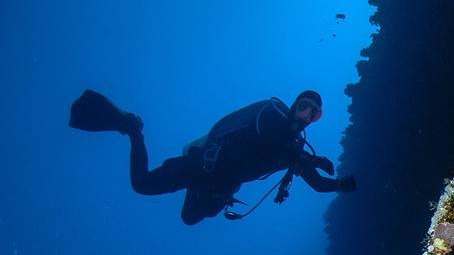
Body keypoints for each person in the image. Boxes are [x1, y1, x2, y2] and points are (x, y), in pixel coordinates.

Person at [69, 89, 357, 224]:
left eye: (314, 113)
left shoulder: (295, 149)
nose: (307, 114)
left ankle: (199, 191)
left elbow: (317, 184)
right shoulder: (273, 117)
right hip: (204, 163)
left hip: (220, 185)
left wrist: (340, 185)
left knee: (190, 218)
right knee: (141, 184)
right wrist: (311, 160)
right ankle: (132, 128)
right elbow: (273, 142)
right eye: (305, 106)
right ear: (295, 105)